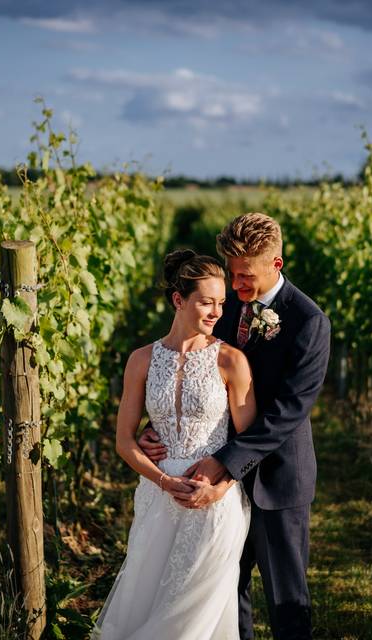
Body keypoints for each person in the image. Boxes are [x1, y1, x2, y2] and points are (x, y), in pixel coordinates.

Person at [140, 213, 331, 640]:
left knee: (286, 600)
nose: (235, 284)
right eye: (231, 272)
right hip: (213, 478)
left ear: (275, 265)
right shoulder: (221, 308)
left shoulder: (308, 321)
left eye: (244, 275)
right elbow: (192, 370)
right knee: (226, 589)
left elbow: (287, 411)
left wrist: (225, 464)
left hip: (276, 481)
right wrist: (160, 429)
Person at [91, 250, 256, 640]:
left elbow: (248, 442)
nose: (217, 311)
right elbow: (124, 441)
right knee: (149, 600)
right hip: (155, 499)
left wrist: (219, 487)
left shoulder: (231, 361)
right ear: (179, 300)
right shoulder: (142, 359)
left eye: (221, 303)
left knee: (191, 616)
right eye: (206, 302)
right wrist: (163, 481)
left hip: (215, 502)